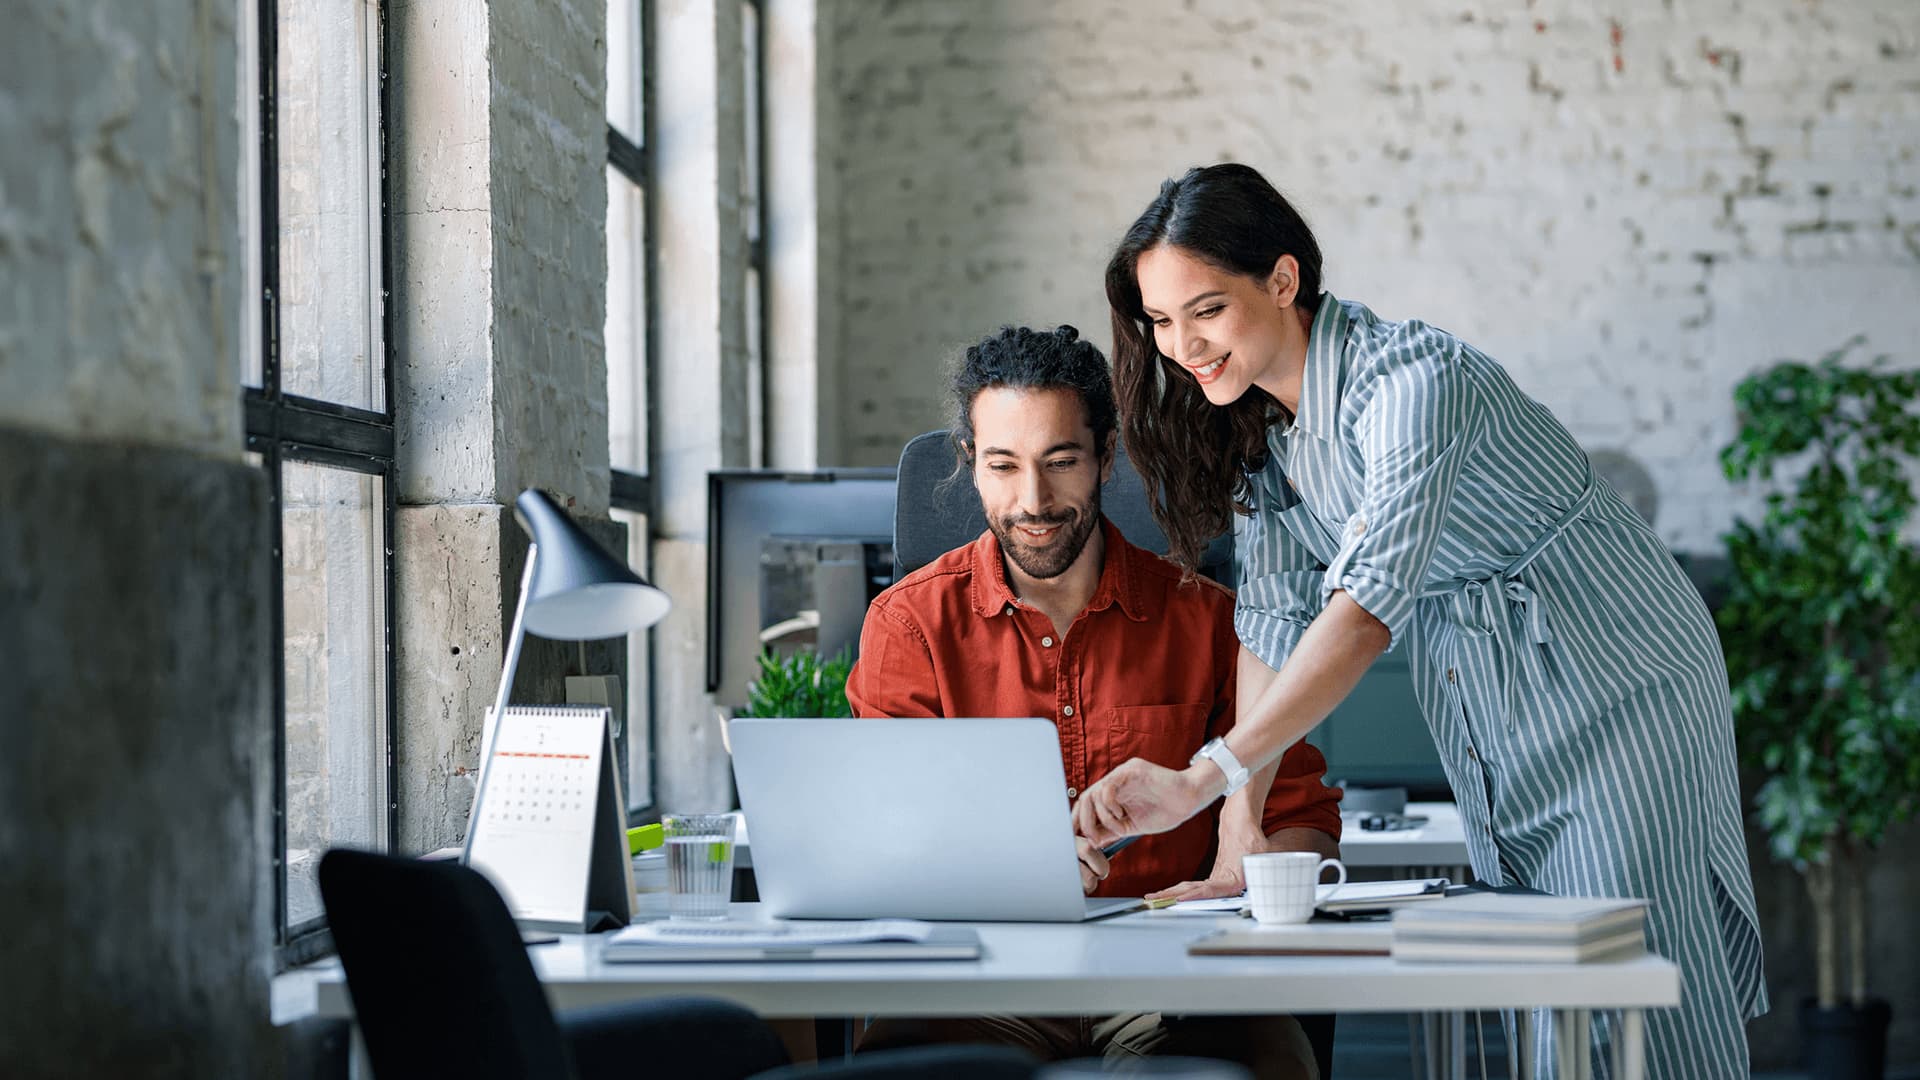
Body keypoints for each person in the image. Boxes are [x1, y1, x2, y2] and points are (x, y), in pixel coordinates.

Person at [1073, 163, 1766, 1077]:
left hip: (1612, 673)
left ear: (1282, 280)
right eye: (1161, 322)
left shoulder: (1411, 382)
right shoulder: (1256, 425)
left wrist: (1201, 778)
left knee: (1623, 981)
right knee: (1541, 984)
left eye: (1206, 310)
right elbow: (1278, 619)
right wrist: (1241, 831)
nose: (1183, 345)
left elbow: (1361, 614)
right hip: (1486, 686)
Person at [845, 323, 1341, 1078]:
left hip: (1169, 977)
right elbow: (883, 838)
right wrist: (1017, 868)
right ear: (970, 468)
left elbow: (1300, 814)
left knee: (1267, 1061)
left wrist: (1263, 882)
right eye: (1003, 466)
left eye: (1061, 461)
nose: (1033, 500)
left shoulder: (1208, 622)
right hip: (984, 980)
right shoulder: (909, 625)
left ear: (1106, 459)